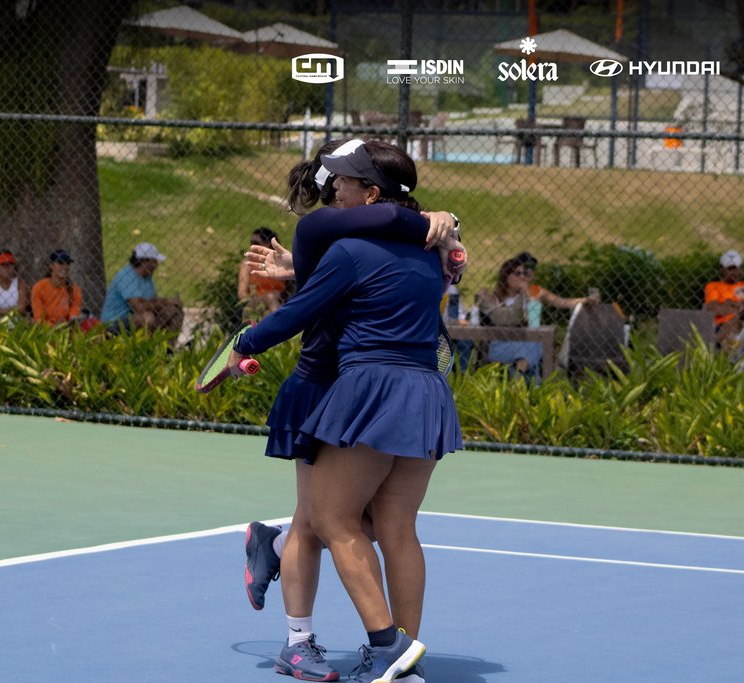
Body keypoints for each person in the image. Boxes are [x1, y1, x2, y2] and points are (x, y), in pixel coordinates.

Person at [233, 141, 461, 683]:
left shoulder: (346, 249)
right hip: (425, 395)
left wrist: (242, 345)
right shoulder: (433, 253)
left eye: (345, 180)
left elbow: (298, 312)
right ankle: (399, 658)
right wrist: (447, 225)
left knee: (328, 521)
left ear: (372, 194)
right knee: (395, 528)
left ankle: (385, 646)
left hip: (365, 392)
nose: (333, 186)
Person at [475, 252, 597, 380]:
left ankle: (519, 373)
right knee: (536, 346)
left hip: (527, 337)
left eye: (526, 272)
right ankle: (529, 380)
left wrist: (584, 300)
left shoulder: (535, 291)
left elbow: (562, 302)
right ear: (506, 275)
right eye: (518, 273)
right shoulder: (494, 296)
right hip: (504, 340)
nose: (523, 276)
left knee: (535, 344)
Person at [101, 242, 183, 334]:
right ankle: (146, 342)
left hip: (136, 318)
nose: (156, 265)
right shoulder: (126, 276)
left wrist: (171, 304)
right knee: (147, 318)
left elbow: (153, 300)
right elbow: (139, 307)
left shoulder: (146, 276)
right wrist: (166, 301)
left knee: (173, 310)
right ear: (145, 261)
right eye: (155, 261)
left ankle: (165, 343)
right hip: (115, 323)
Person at [238, 227, 288, 317]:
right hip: (255, 303)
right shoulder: (247, 264)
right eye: (251, 242)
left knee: (269, 306)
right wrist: (262, 297)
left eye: (256, 243)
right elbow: (242, 294)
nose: (252, 246)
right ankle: (281, 319)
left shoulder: (280, 263)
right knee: (269, 296)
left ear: (268, 244)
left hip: (279, 302)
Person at [31, 249, 82, 326]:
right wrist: (55, 326)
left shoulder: (75, 290)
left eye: (68, 263)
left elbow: (74, 317)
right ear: (51, 265)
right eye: (60, 263)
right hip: (45, 330)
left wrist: (68, 323)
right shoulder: (39, 287)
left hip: (66, 329)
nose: (65, 267)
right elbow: (38, 318)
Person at [705, 250, 744, 342]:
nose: (734, 272)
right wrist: (738, 306)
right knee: (736, 318)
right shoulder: (713, 286)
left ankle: (716, 344)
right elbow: (713, 309)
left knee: (737, 319)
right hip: (719, 326)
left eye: (736, 268)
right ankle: (717, 343)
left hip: (743, 326)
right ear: (721, 269)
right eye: (730, 269)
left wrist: (727, 303)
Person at [0, 250, 29, 318]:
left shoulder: (20, 283)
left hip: (16, 322)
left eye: (10, 264)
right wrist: (14, 310)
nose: (7, 267)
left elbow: (22, 309)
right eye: (2, 264)